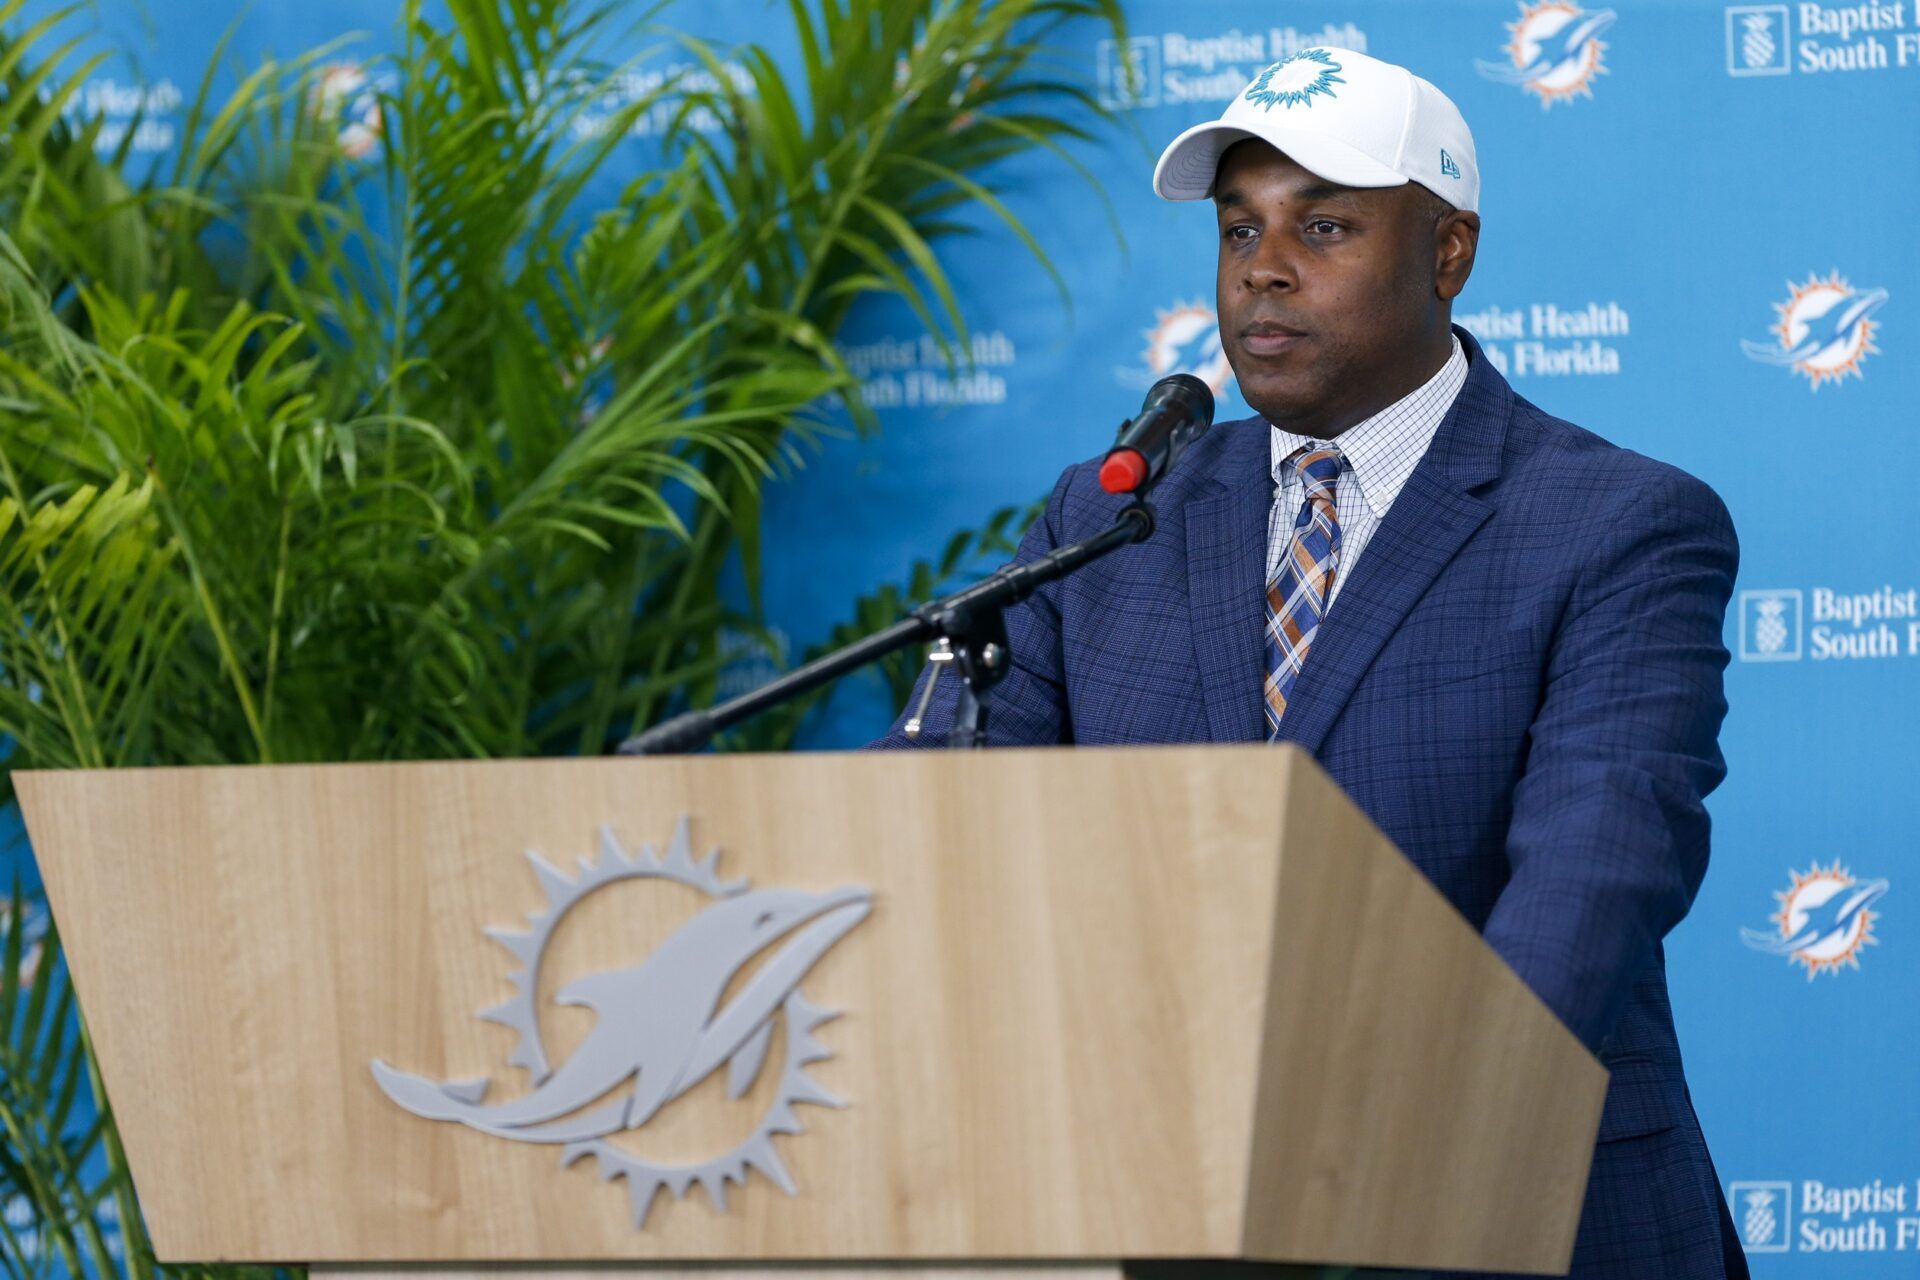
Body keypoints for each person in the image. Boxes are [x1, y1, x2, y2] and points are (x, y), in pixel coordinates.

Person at [873, 47, 1749, 1280]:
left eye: (1324, 226)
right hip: (1153, 1212)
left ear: (1449, 252)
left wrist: (1384, 1161)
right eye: (1239, 231)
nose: (1263, 270)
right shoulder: (1117, 511)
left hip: (1505, 1208)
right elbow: (950, 826)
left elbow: (1592, 878)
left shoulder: (1616, 522)